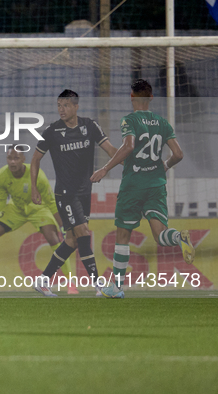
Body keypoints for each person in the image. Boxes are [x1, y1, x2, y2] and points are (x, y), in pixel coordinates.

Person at [91, 79, 195, 299]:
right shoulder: (163, 123)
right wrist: (163, 166)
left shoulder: (129, 120)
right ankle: (178, 237)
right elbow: (178, 154)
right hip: (156, 186)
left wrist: (105, 168)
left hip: (133, 186)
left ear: (131, 97)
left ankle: (117, 287)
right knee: (160, 235)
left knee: (122, 235)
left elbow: (128, 146)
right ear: (151, 98)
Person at [31, 89, 117, 297]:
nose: (61, 109)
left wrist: (115, 164)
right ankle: (98, 285)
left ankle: (43, 280)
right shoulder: (52, 131)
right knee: (84, 233)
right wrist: (34, 187)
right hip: (65, 194)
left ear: (76, 107)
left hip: (85, 192)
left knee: (71, 240)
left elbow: (112, 151)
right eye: (59, 105)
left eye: (66, 105)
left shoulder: (90, 126)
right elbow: (35, 160)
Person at [0, 148, 77, 294]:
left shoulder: (38, 176)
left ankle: (70, 283)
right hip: (16, 209)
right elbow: (1, 199)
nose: (12, 162)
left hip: (39, 208)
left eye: (16, 158)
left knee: (54, 239)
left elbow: (51, 202)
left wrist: (63, 225)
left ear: (23, 159)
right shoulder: (1, 176)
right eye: (9, 158)